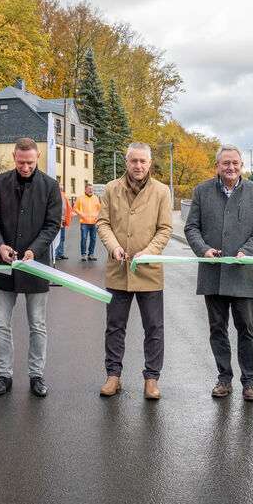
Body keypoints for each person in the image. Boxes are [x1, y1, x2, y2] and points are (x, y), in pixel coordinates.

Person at [184, 144, 253, 402]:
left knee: (246, 328)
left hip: (242, 274)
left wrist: (247, 251)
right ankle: (224, 378)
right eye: (225, 163)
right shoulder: (202, 192)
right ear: (217, 167)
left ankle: (249, 381)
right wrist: (203, 250)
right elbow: (191, 228)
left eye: (235, 163)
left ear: (242, 166)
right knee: (217, 328)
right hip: (213, 273)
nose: (230, 167)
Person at [0, 137, 62, 398]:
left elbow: (52, 225)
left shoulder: (51, 186)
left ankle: (36, 375)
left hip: (35, 264)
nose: (25, 168)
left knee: (37, 324)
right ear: (14, 158)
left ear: (38, 157)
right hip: (5, 263)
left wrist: (34, 251)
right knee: (1, 324)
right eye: (20, 163)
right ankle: (3, 375)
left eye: (29, 163)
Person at [96, 142, 173, 400]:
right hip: (118, 269)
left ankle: (152, 379)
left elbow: (165, 228)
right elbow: (103, 223)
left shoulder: (162, 191)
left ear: (150, 163)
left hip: (149, 271)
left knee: (154, 327)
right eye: (133, 161)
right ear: (126, 162)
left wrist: (150, 251)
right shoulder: (111, 189)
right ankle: (113, 376)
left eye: (143, 161)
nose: (138, 166)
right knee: (114, 326)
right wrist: (114, 247)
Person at [75, 183, 100, 260]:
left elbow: (99, 209)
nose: (91, 190)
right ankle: (83, 254)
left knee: (93, 239)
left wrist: (97, 215)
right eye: (89, 189)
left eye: (92, 189)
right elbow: (75, 208)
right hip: (84, 223)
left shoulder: (96, 198)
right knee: (84, 238)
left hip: (93, 223)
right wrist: (81, 214)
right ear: (85, 189)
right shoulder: (80, 198)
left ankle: (91, 254)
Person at [54, 189, 72, 260]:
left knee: (62, 238)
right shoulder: (55, 196)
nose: (61, 189)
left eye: (62, 188)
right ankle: (55, 254)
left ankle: (60, 253)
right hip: (58, 220)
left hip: (63, 220)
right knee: (57, 238)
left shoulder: (64, 196)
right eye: (60, 188)